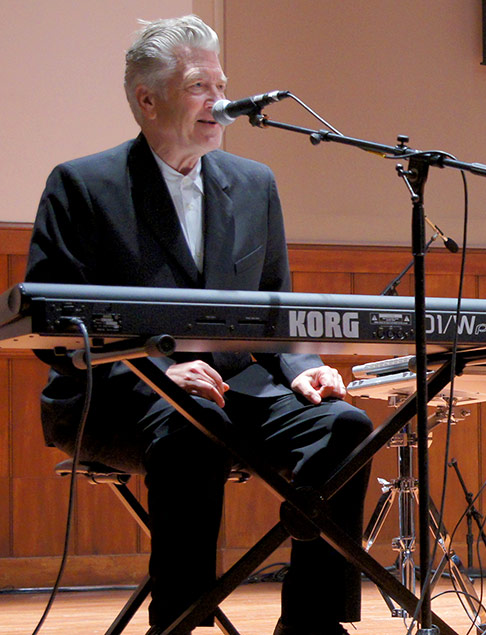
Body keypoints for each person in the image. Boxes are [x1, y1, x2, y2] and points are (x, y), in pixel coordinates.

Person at [26, 15, 370, 635]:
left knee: (344, 426)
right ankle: (180, 619)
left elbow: (275, 308)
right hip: (115, 396)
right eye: (198, 86)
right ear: (146, 98)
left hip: (238, 389)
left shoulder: (254, 184)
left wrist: (304, 367)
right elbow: (57, 328)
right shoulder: (82, 186)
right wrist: (158, 370)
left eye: (222, 84)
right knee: (194, 424)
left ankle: (312, 623)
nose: (222, 101)